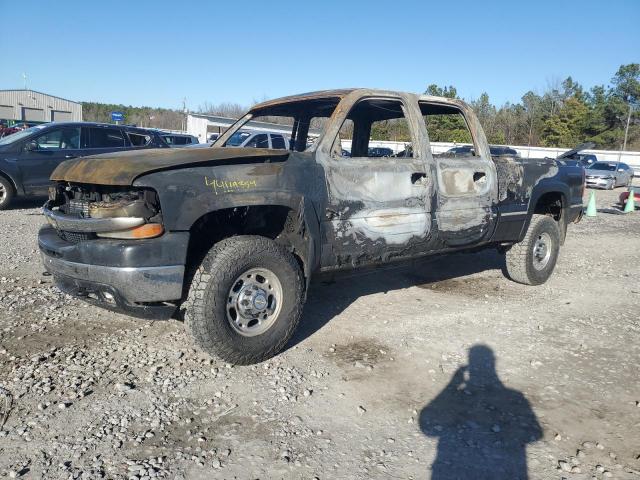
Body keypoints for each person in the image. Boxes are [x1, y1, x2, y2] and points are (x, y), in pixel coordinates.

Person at [420, 345, 542, 480]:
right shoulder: (515, 397)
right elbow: (536, 434)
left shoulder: (514, 397)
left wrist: (452, 385)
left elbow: (427, 428)